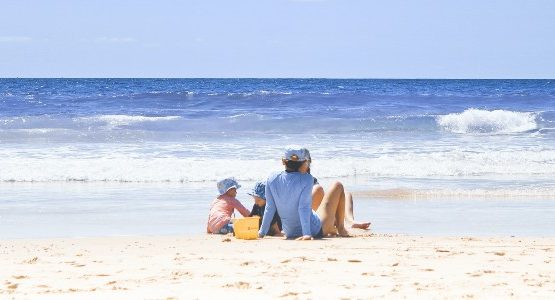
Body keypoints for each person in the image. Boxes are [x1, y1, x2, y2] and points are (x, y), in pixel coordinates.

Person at [259, 147, 350, 240]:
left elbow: (269, 208)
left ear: (283, 161)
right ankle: (341, 228)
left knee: (316, 199)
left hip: (289, 232)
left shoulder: (271, 179)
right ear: (304, 162)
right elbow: (303, 207)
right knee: (338, 185)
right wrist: (307, 233)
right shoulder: (307, 179)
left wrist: (262, 233)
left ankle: (331, 226)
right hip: (315, 230)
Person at [301, 148, 371, 230]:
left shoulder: (310, 179)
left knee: (346, 193)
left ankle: (350, 221)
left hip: (314, 211)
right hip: (309, 215)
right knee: (321, 191)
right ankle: (339, 223)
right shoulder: (301, 179)